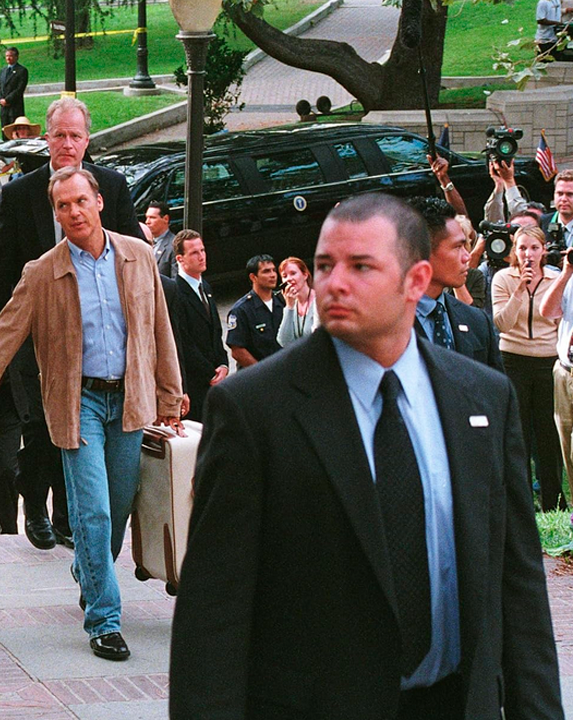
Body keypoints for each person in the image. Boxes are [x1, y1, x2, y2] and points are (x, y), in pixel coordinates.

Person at [170, 192, 563, 719]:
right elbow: (213, 606)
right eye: (324, 265)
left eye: (361, 266)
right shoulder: (254, 408)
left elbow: (519, 585)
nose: (334, 283)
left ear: (416, 280)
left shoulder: (483, 398)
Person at [0, 166, 182, 660]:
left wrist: (170, 397)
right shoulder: (42, 272)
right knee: (92, 512)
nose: (74, 211)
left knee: (116, 510)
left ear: (99, 202)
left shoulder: (139, 256)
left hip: (130, 401)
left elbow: (159, 329)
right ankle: (104, 619)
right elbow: (3, 337)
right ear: (56, 214)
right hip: (77, 404)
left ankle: (89, 567)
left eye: (81, 201)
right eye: (63, 205)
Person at [0, 96, 147, 550]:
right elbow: (1, 277)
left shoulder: (111, 187)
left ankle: (66, 516)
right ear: (47, 137)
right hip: (36, 339)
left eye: (76, 136)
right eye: (59, 135)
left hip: (97, 338)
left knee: (78, 431)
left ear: (87, 140)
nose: (68, 144)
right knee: (41, 427)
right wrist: (1, 345)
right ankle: (35, 502)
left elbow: (133, 260)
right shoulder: (20, 195)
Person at [492, 226, 566, 513]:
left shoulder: (555, 279)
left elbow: (560, 324)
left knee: (548, 434)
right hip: (513, 360)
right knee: (517, 434)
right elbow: (502, 323)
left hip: (547, 361)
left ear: (543, 250)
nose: (528, 255)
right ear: (514, 250)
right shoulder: (503, 278)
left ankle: (553, 502)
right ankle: (521, 503)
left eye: (534, 248)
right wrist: (520, 290)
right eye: (522, 248)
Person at [409, 197, 503, 371]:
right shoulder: (379, 325)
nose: (467, 257)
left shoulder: (477, 322)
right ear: (422, 252)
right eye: (457, 247)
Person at [170, 230, 228, 420]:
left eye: (202, 250)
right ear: (180, 258)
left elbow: (216, 331)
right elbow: (183, 341)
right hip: (195, 384)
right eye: (194, 253)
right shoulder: (175, 292)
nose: (202, 256)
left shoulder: (206, 287)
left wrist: (223, 363)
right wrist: (210, 373)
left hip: (215, 379)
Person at [540, 232, 573, 511]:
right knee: (567, 450)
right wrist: (566, 272)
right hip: (564, 371)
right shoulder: (569, 278)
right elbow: (548, 311)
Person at [227, 254, 285, 369]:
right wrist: (262, 371)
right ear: (253, 277)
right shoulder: (241, 310)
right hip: (258, 374)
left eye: (274, 270)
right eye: (266, 271)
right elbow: (237, 351)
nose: (273, 275)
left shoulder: (283, 302)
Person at [276, 255, 317, 347]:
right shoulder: (292, 306)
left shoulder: (319, 301)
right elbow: (284, 341)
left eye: (293, 273)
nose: (289, 279)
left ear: (305, 275)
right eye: (285, 276)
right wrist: (289, 307)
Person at [0, 47, 28, 126]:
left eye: (10, 56)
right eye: (6, 56)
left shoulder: (22, 71)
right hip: (4, 109)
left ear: (16, 57)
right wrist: (1, 99)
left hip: (15, 108)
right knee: (4, 130)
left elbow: (19, 89)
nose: (8, 58)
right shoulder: (3, 71)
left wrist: (7, 100)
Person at [143, 201, 175, 277]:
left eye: (152, 218)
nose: (147, 222)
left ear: (166, 219)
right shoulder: (142, 243)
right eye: (147, 217)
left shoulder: (174, 245)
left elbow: (175, 280)